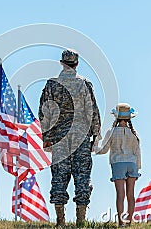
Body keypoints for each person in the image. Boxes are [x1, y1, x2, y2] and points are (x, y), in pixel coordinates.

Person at [38, 49, 101, 227]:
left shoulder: (52, 85)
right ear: (77, 64)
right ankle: (81, 221)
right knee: (82, 177)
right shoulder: (85, 84)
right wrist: (95, 134)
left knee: (59, 176)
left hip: (60, 137)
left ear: (61, 63)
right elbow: (92, 111)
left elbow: (45, 112)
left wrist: (47, 137)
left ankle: (61, 221)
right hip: (81, 137)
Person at [96, 103, 141, 227]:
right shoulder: (134, 134)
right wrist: (137, 168)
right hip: (132, 164)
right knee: (130, 195)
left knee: (120, 194)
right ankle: (129, 222)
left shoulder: (112, 132)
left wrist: (94, 148)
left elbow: (104, 149)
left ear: (116, 117)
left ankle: (121, 222)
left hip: (118, 164)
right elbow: (138, 153)